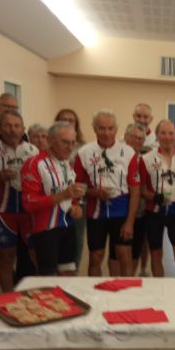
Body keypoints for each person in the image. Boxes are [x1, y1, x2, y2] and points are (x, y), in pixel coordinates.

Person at [0, 109, 39, 291]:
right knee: (6, 258)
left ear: (23, 129)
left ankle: (38, 294)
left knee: (35, 255)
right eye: (8, 125)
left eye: (16, 126)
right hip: (3, 213)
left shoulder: (33, 150)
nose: (12, 130)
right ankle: (8, 298)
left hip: (29, 212)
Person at [74, 110, 140, 277]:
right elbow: (76, 187)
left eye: (110, 128)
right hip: (96, 212)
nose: (106, 133)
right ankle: (94, 291)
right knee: (95, 257)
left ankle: (127, 291)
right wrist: (93, 192)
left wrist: (130, 222)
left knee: (124, 255)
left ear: (116, 129)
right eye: (101, 128)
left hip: (122, 211)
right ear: (94, 128)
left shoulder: (128, 152)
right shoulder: (84, 153)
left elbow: (135, 191)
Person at [21, 122, 85, 275]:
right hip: (45, 228)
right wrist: (63, 195)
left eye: (73, 143)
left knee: (68, 272)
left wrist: (76, 207)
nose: (70, 147)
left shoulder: (67, 164)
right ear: (50, 141)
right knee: (47, 276)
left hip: (67, 225)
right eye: (65, 142)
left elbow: (70, 197)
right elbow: (29, 203)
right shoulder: (34, 164)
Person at [139, 119, 175, 277]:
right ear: (156, 135)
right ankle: (159, 288)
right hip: (154, 211)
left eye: (171, 133)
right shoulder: (146, 159)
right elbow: (140, 189)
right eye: (163, 133)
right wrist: (153, 196)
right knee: (156, 254)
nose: (167, 137)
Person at [109, 123, 148, 275]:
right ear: (125, 137)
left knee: (135, 250)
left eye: (140, 138)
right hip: (118, 212)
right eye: (133, 137)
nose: (137, 141)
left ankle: (129, 281)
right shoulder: (115, 157)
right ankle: (114, 282)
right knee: (115, 252)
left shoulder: (145, 160)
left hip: (140, 212)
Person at [54, 108, 86, 270]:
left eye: (70, 120)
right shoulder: (51, 146)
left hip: (78, 199)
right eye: (63, 119)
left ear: (76, 124)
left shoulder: (84, 148)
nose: (66, 122)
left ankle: (74, 270)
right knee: (56, 235)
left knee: (77, 237)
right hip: (56, 198)